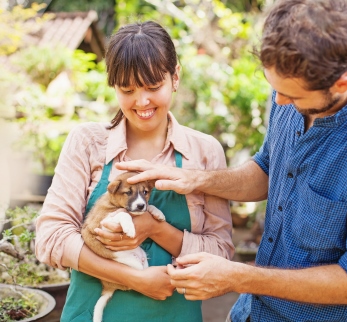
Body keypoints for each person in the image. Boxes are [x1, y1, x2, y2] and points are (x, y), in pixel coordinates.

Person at [115, 1, 347, 321]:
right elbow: (268, 168)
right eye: (276, 89)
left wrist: (238, 277)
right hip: (253, 312)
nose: (280, 102)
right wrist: (198, 179)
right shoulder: (294, 83)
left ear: (341, 84)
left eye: (293, 97)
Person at [35, 20, 234, 322]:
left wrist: (155, 229)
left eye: (153, 87)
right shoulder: (88, 143)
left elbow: (221, 254)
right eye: (127, 89)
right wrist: (134, 278)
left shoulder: (204, 152)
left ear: (175, 76)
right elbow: (50, 238)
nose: (141, 102)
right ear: (113, 86)